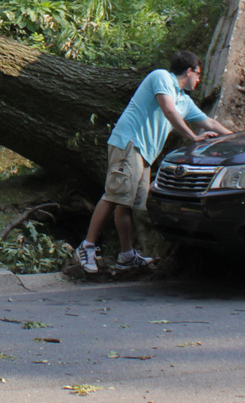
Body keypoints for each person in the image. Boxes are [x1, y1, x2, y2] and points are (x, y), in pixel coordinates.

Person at [74, 49, 230, 274]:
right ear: (189, 71)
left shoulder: (184, 101)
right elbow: (168, 110)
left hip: (145, 154)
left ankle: (126, 256)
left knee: (127, 202)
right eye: (198, 74)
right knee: (114, 195)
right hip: (129, 143)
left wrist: (240, 138)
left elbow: (211, 124)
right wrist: (193, 137)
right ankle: (87, 246)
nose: (199, 79)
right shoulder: (161, 77)